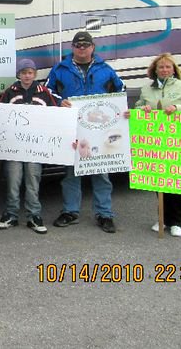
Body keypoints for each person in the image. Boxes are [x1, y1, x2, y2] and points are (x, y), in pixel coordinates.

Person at [45, 32, 125, 233]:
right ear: (72, 47)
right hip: (73, 128)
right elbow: (47, 91)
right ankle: (70, 211)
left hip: (99, 130)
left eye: (85, 45)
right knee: (71, 173)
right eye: (77, 45)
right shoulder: (60, 69)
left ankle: (104, 214)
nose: (81, 48)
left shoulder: (105, 69)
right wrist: (58, 101)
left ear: (93, 47)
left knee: (101, 173)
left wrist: (119, 109)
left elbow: (121, 90)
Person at [134, 52, 181, 237]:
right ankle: (162, 219)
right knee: (159, 181)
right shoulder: (147, 89)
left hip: (176, 141)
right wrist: (143, 109)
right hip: (156, 141)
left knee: (176, 181)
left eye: (167, 67)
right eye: (161, 67)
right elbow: (138, 107)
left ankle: (176, 222)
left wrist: (177, 108)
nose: (164, 70)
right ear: (155, 70)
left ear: (173, 70)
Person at [0, 58, 61, 234]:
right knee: (13, 181)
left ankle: (34, 216)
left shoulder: (43, 92)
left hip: (35, 150)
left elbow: (55, 117)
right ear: (18, 74)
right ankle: (11, 214)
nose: (27, 76)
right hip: (14, 149)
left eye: (30, 73)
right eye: (23, 73)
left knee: (33, 181)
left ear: (35, 74)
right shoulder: (10, 92)